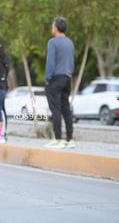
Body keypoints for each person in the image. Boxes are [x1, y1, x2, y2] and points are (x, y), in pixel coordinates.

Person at [44, 17, 75, 149]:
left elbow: (50, 62)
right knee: (66, 109)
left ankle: (57, 139)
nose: (52, 28)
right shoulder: (70, 42)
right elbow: (72, 62)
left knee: (55, 109)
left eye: (52, 26)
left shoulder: (53, 42)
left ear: (56, 28)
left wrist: (47, 78)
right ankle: (69, 139)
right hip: (67, 78)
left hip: (55, 78)